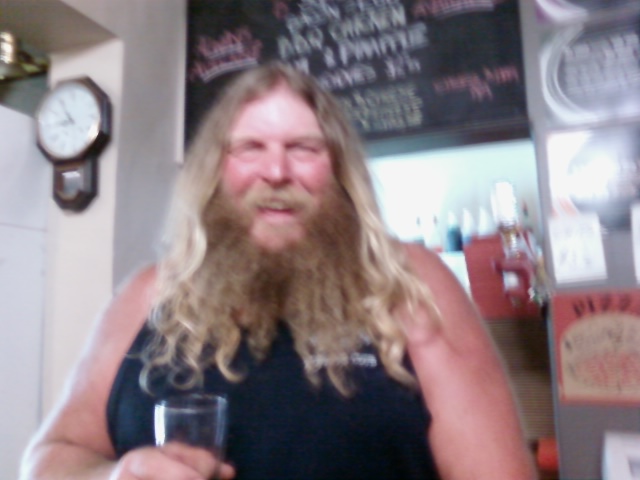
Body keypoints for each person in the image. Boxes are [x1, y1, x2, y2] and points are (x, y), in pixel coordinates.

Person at [20, 62, 537, 480]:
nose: (275, 171)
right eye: (250, 148)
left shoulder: (408, 283)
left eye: (303, 148)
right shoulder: (148, 293)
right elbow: (50, 458)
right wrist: (112, 476)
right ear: (215, 168)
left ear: (337, 168)